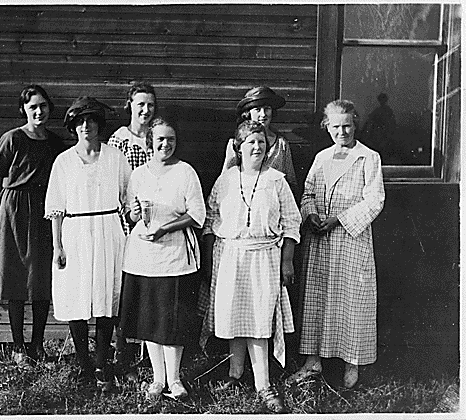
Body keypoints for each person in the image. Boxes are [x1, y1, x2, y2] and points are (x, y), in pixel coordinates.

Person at [200, 120, 301, 413]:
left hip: (264, 256)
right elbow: (210, 220)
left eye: (260, 142)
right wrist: (209, 262)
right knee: (234, 317)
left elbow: (292, 223)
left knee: (258, 319)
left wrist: (287, 260)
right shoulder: (226, 180)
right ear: (238, 147)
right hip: (230, 256)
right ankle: (235, 374)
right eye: (250, 142)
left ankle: (263, 384)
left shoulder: (277, 180)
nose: (257, 147)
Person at [287, 99, 385, 389]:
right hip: (321, 240)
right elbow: (308, 194)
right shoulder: (322, 158)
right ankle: (313, 361)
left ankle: (351, 364)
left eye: (347, 125)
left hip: (351, 239)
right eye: (335, 127)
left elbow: (375, 199)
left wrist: (338, 219)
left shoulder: (369, 158)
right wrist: (313, 215)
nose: (342, 132)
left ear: (355, 124)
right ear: (327, 127)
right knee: (318, 300)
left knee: (351, 300)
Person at [44, 96, 132, 393]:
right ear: (73, 127)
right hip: (76, 232)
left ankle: (102, 362)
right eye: (80, 122)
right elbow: (55, 208)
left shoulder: (115, 158)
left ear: (99, 124)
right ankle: (83, 364)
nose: (86, 126)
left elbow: (128, 197)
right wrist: (58, 247)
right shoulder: (64, 162)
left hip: (108, 230)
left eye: (91, 120)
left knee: (106, 298)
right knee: (77, 297)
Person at [119, 117, 206, 400]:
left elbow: (197, 214)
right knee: (149, 319)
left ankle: (175, 379)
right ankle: (157, 379)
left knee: (173, 321)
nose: (165, 144)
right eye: (160, 140)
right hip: (143, 256)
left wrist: (165, 228)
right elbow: (132, 218)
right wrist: (134, 212)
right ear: (149, 143)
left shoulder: (185, 172)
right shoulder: (139, 175)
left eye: (170, 139)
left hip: (175, 256)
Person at [0, 85, 66, 367]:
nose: (39, 111)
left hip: (43, 212)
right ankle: (18, 347)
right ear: (24, 110)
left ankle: (37, 345)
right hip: (14, 212)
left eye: (43, 106)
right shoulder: (12, 139)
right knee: (16, 278)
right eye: (33, 107)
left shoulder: (56, 143)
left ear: (49, 108)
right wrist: (8, 207)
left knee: (41, 279)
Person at [107, 81, 157, 375]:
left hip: (151, 219)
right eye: (140, 104)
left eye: (150, 105)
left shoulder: (157, 137)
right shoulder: (119, 140)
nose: (146, 110)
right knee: (124, 284)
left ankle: (148, 350)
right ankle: (121, 347)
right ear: (130, 106)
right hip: (125, 218)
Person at [221, 86, 298, 197]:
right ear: (248, 113)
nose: (263, 114)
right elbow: (225, 182)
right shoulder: (236, 144)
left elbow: (291, 182)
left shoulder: (281, 144)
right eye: (257, 110)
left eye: (267, 109)